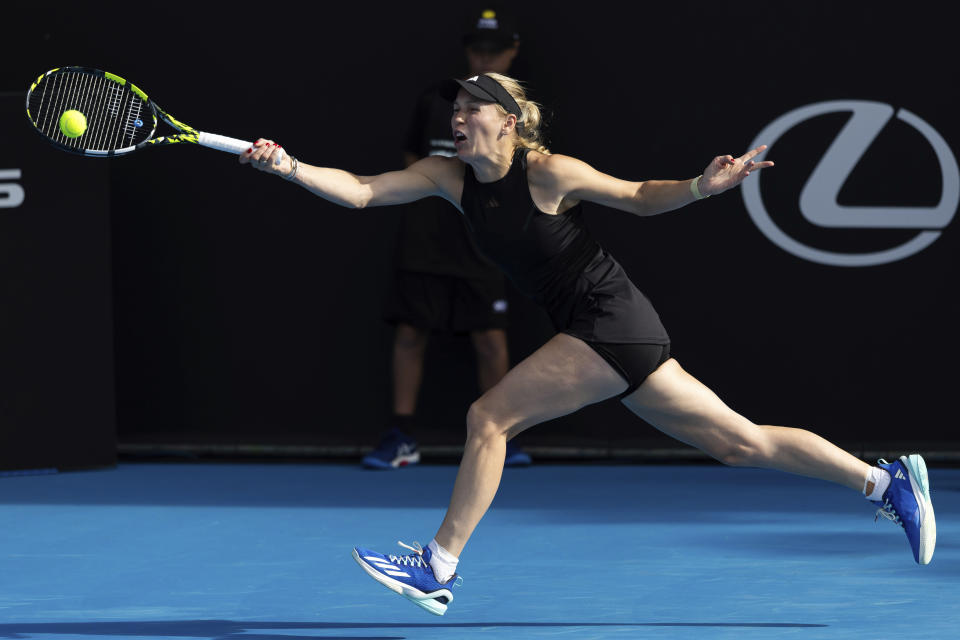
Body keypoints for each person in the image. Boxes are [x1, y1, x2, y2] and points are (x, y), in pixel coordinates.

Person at [241, 73, 936, 616]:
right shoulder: (447, 177)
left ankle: (439, 566)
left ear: (507, 123)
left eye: (472, 109)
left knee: (490, 417)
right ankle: (884, 481)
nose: (458, 118)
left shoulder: (546, 172)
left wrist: (701, 186)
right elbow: (362, 191)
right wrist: (292, 167)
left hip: (608, 318)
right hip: (608, 329)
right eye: (453, 110)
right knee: (740, 443)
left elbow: (636, 194)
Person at [364, 6, 531, 470]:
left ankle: (504, 434)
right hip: (425, 240)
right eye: (479, 50)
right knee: (410, 332)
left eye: (495, 50)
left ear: (512, 52)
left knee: (490, 339)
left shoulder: (517, 116)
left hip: (485, 245)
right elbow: (411, 164)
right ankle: (401, 436)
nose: (485, 58)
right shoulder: (435, 102)